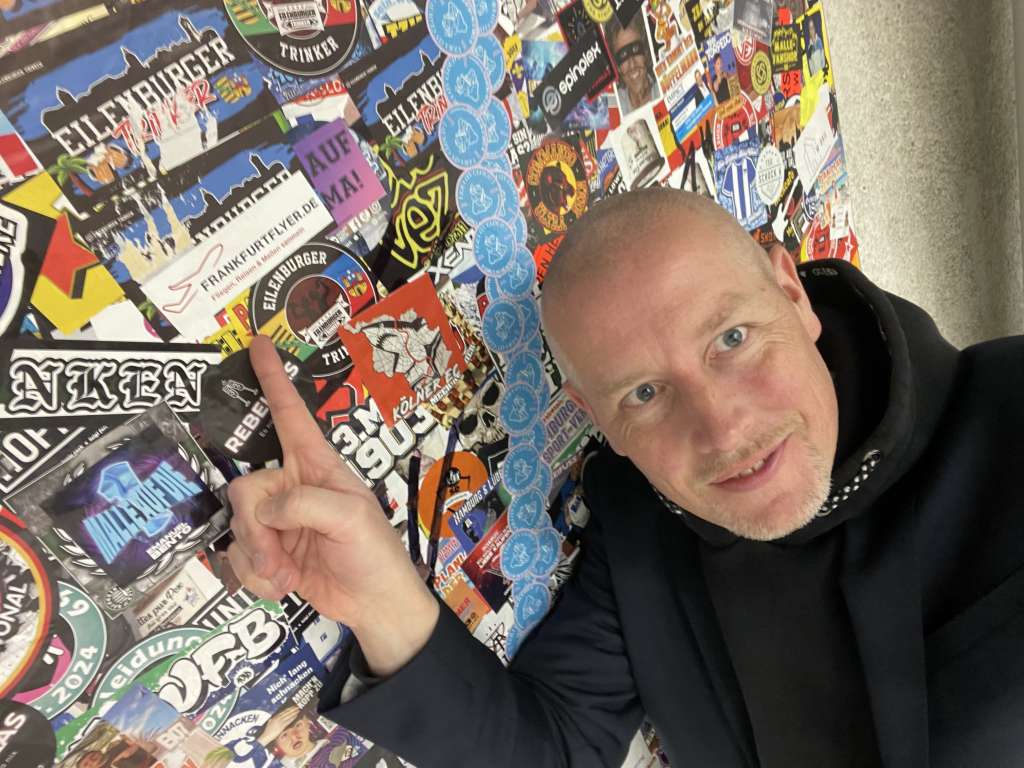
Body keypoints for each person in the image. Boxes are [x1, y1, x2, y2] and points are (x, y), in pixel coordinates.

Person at [228, 188, 1024, 766]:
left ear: (793, 293)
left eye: (732, 338)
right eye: (644, 393)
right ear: (596, 417)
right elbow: (553, 747)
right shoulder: (642, 524)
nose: (723, 432)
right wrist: (380, 597)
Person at [606, 14, 657, 114]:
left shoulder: (663, 87)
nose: (632, 65)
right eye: (623, 55)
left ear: (645, 53)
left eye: (636, 49)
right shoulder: (614, 105)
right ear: (617, 67)